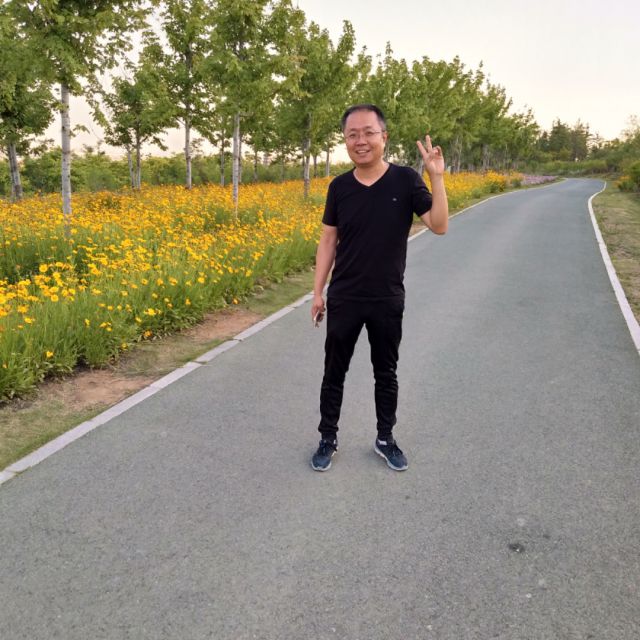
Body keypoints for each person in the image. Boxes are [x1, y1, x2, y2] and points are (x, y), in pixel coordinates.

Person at [310, 103, 448, 472]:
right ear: (345, 140)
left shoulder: (406, 180)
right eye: (352, 134)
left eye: (368, 133)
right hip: (345, 296)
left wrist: (436, 177)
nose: (361, 141)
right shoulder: (339, 187)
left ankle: (385, 438)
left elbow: (439, 225)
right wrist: (318, 292)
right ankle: (327, 437)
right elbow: (328, 240)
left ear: (384, 137)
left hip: (387, 298)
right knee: (334, 372)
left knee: (385, 373)